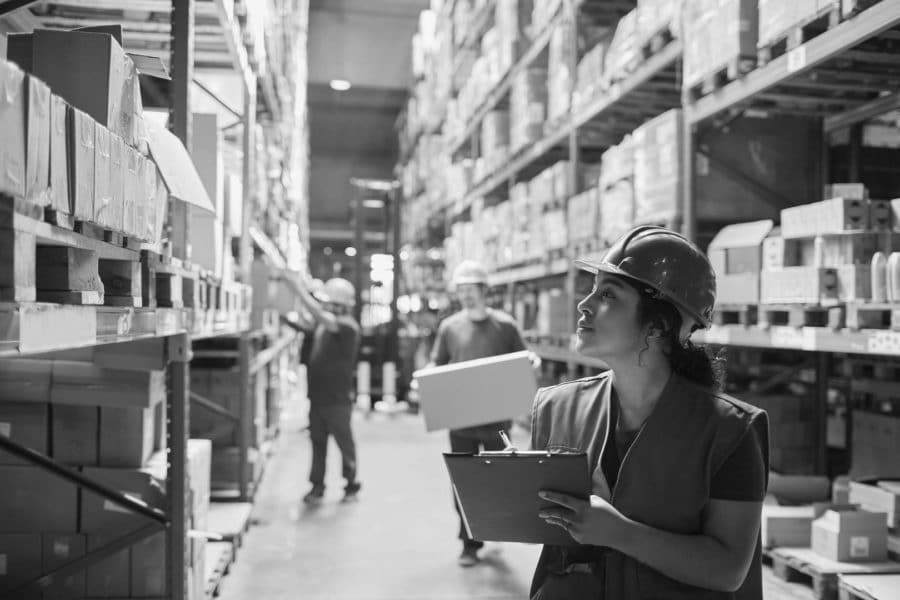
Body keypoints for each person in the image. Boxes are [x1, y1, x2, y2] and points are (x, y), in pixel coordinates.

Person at [530, 226, 769, 599]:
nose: (585, 303)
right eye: (592, 288)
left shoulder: (729, 432)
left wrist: (618, 532)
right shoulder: (557, 408)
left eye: (608, 294)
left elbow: (728, 569)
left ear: (658, 326)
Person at [428, 259, 534, 567]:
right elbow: (439, 363)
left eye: (471, 288)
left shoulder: (505, 325)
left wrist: (532, 362)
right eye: (461, 289)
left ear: (485, 290)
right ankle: (469, 542)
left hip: (496, 422)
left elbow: (522, 359)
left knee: (498, 479)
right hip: (461, 419)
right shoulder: (450, 327)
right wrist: (427, 377)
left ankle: (495, 526)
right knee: (464, 480)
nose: (466, 295)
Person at [282, 276, 362, 505]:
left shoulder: (347, 326)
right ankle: (317, 486)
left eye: (332, 303)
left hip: (337, 399)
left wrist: (297, 289)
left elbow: (319, 316)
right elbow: (307, 325)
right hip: (317, 397)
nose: (327, 307)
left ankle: (351, 485)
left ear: (343, 305)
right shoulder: (323, 326)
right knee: (318, 443)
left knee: (344, 443)